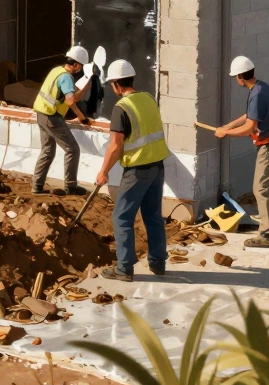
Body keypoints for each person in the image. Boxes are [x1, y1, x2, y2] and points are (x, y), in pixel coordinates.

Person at [94, 59, 169, 282]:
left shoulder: (122, 108)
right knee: (153, 215)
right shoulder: (148, 99)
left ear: (116, 84)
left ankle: (124, 268)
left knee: (121, 217)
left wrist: (103, 171)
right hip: (157, 166)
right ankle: (158, 262)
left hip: (138, 170)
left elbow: (116, 146)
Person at [216, 56, 269, 248]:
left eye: (236, 77)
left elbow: (249, 127)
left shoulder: (256, 94)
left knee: (261, 189)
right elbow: (250, 114)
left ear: (240, 77)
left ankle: (267, 235)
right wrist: (228, 125)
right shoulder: (261, 88)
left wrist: (226, 132)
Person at [31, 46, 93, 196]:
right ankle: (71, 187)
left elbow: (66, 102)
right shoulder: (66, 77)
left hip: (41, 114)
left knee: (47, 150)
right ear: (77, 64)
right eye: (81, 66)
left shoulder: (56, 71)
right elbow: (70, 99)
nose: (81, 69)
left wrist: (81, 117)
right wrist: (84, 90)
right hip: (52, 118)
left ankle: (37, 186)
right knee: (72, 149)